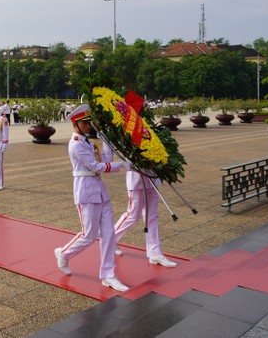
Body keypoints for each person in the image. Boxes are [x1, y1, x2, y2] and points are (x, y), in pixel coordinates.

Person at [53, 104, 131, 293]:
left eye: (89, 122)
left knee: (108, 233)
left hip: (100, 190)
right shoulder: (76, 144)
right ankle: (63, 253)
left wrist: (107, 142)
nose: (89, 126)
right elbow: (96, 166)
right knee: (89, 235)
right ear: (76, 123)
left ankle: (108, 275)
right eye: (85, 123)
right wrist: (121, 165)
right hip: (86, 191)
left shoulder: (88, 141)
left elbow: (104, 158)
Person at [113, 171, 178, 268]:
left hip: (151, 178)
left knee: (152, 216)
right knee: (133, 215)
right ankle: (110, 240)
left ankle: (155, 253)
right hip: (136, 180)